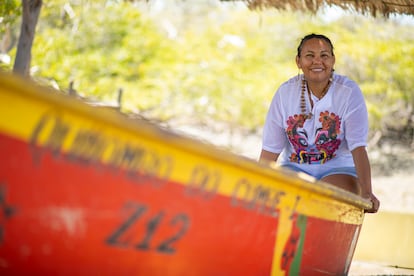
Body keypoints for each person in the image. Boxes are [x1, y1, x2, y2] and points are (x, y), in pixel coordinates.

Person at [259, 33, 379, 213]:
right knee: (279, 196)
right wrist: (258, 186)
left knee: (323, 197)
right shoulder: (285, 93)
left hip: (339, 170)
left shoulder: (348, 92)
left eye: (324, 55)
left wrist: (367, 193)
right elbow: (270, 149)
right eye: (309, 56)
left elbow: (358, 147)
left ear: (333, 61)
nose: (317, 61)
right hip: (294, 168)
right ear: (298, 62)